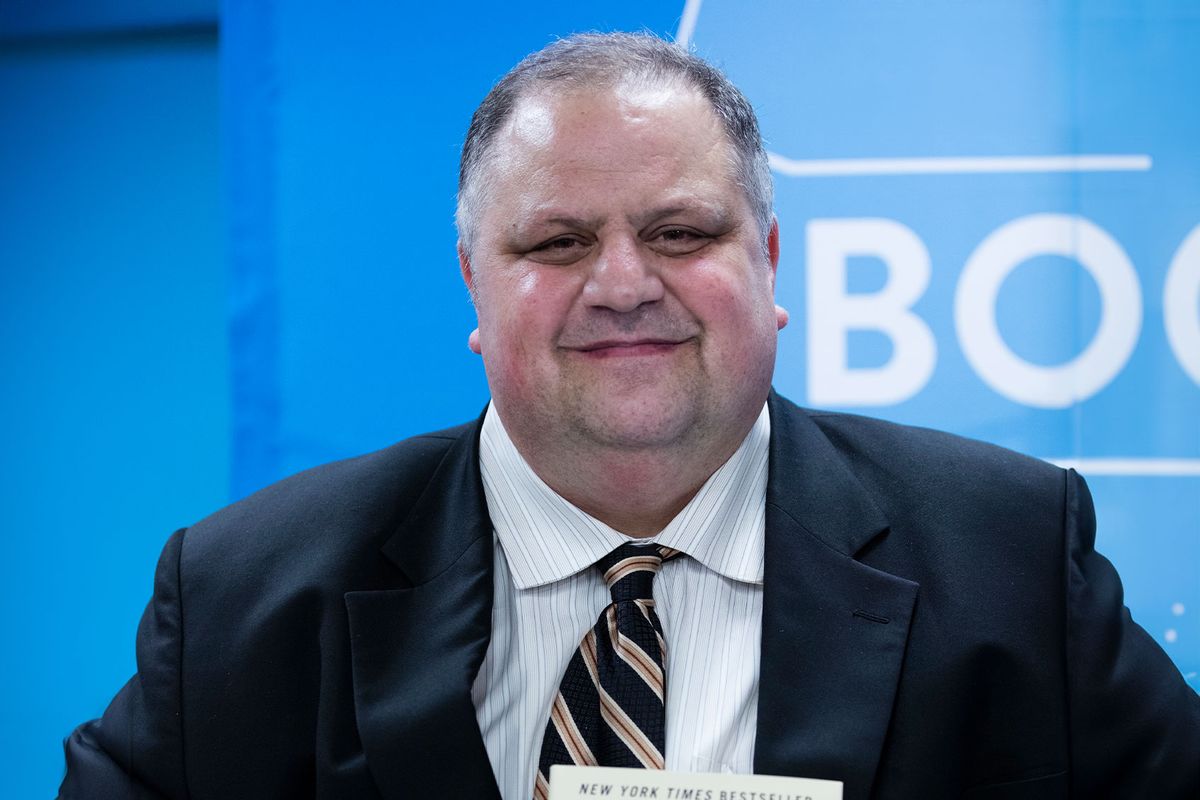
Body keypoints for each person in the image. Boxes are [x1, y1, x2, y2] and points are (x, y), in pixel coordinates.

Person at [60, 32, 1198, 800]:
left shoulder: (1008, 553)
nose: (621, 284)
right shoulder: (241, 595)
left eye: (679, 232)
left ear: (769, 259)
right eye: (557, 242)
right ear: (472, 283)